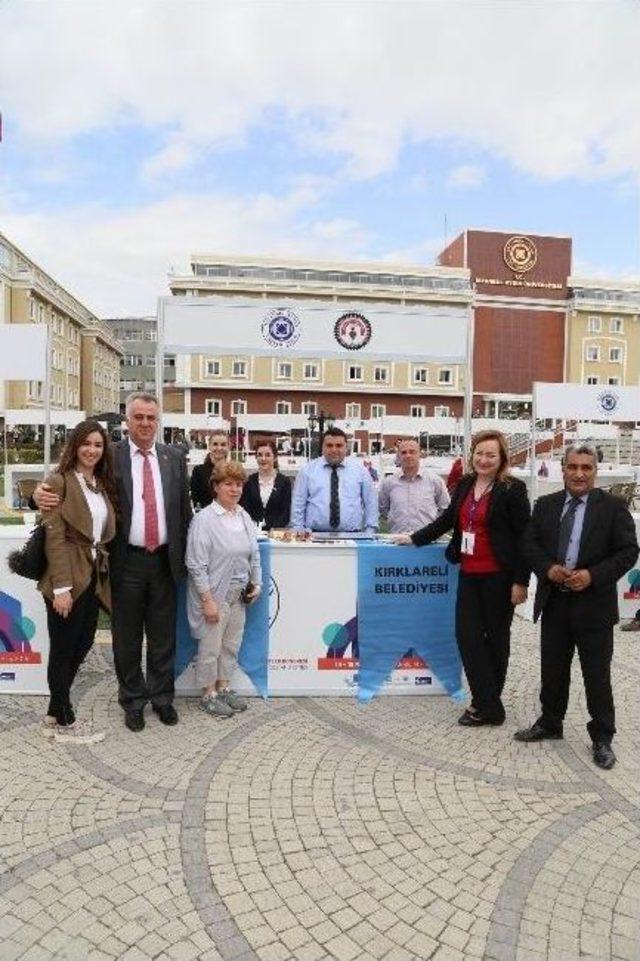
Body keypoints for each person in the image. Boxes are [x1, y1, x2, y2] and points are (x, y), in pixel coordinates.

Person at [34, 392, 192, 733]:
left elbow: (184, 511)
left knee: (164, 636)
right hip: (124, 562)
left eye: (151, 417)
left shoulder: (174, 457)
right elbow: (72, 480)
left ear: (158, 419)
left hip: (165, 560)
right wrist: (37, 495)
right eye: (139, 417)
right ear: (127, 420)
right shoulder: (110, 456)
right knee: (126, 636)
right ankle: (132, 700)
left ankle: (163, 698)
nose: (146, 424)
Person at [515, 442, 639, 770]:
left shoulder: (613, 507)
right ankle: (550, 723)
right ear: (563, 469)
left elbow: (628, 551)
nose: (579, 474)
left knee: (596, 675)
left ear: (595, 471)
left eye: (586, 468)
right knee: (552, 669)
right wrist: (547, 568)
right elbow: (529, 544)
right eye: (573, 467)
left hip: (594, 606)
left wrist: (593, 575)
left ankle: (602, 737)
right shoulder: (545, 505)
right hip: (555, 601)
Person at [394, 430, 530, 726]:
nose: (484, 459)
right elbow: (447, 520)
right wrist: (414, 539)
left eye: (491, 455)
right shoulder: (466, 483)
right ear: (472, 456)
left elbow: (525, 539)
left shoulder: (513, 489)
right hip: (469, 572)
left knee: (495, 640)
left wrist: (522, 582)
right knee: (467, 637)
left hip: (500, 576)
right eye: (479, 453)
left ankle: (486, 706)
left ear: (502, 458)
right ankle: (490, 704)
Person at [37, 420, 117, 744]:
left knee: (82, 643)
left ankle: (54, 712)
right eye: (87, 443)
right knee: (63, 648)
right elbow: (54, 537)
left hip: (91, 575)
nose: (92, 450)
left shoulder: (97, 483)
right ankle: (65, 719)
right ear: (75, 445)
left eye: (98, 445)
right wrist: (61, 588)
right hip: (66, 578)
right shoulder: (59, 481)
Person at [185, 462, 262, 718]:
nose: (235, 489)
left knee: (231, 644)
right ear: (215, 487)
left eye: (239, 484)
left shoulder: (243, 516)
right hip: (214, 594)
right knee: (210, 647)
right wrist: (207, 600)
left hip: (239, 595)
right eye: (228, 484)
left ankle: (224, 686)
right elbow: (196, 564)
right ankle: (208, 693)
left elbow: (255, 555)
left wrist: (257, 583)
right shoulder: (204, 520)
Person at [290, 427, 378, 533]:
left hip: (352, 536)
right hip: (315, 536)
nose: (334, 450)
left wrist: (370, 530)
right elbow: (298, 502)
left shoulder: (360, 471)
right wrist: (297, 529)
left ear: (346, 448)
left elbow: (370, 502)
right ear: (322, 447)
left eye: (339, 446)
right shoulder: (307, 471)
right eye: (329, 445)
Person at [379, 437, 450, 533]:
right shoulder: (388, 483)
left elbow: (445, 508)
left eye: (412, 452)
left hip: (427, 542)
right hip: (397, 540)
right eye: (404, 452)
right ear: (398, 456)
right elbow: (383, 509)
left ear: (420, 454)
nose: (408, 455)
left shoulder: (434, 481)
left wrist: (432, 528)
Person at [239, 439, 292, 530]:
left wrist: (273, 528)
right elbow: (245, 509)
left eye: (267, 455)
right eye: (259, 455)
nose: (263, 458)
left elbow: (286, 512)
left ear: (275, 457)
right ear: (256, 457)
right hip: (252, 532)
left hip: (276, 534)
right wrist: (253, 527)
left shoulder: (284, 482)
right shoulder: (249, 481)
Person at [190, 430, 230, 510]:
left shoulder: (233, 471)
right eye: (215, 444)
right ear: (209, 446)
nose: (219, 448)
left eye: (223, 445)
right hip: (206, 518)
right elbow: (196, 500)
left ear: (228, 447)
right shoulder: (198, 471)